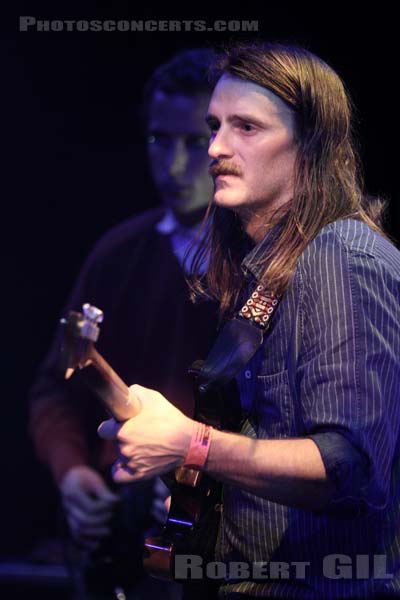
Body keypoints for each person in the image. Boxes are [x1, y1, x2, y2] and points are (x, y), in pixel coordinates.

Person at [97, 42, 400, 599]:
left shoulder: (341, 258)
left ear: (309, 144)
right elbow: (265, 447)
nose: (214, 147)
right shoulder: (266, 274)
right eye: (214, 125)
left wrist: (193, 445)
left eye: (247, 128)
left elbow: (350, 467)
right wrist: (193, 476)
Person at [29, 48, 218, 599]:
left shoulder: (266, 263)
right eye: (161, 141)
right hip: (127, 537)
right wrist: (72, 474)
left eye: (194, 142)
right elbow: (53, 388)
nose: (176, 166)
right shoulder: (117, 253)